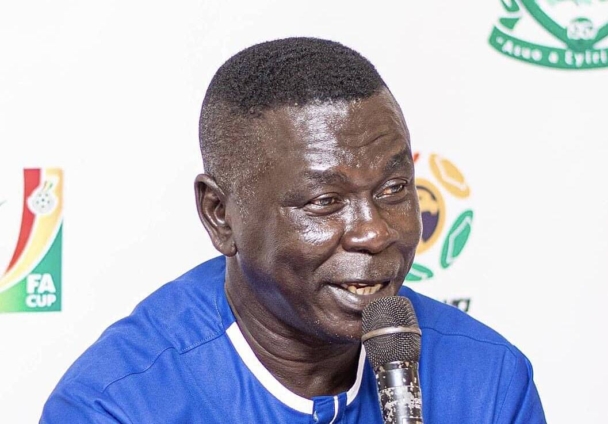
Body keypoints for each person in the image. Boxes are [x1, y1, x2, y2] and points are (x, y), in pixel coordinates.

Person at [40, 37, 546, 423]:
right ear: (220, 215)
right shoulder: (118, 406)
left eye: (393, 189)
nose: (373, 233)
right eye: (325, 201)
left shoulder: (489, 379)